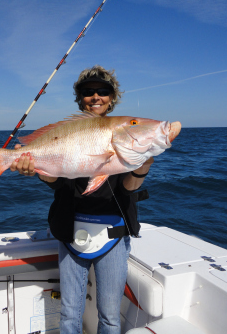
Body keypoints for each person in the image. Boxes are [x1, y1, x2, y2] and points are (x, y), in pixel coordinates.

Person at [10, 65, 153, 333]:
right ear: (80, 98)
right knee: (68, 315)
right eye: (88, 92)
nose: (96, 96)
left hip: (112, 234)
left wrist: (142, 166)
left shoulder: (123, 133)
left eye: (103, 91)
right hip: (70, 230)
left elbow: (129, 188)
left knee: (110, 317)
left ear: (112, 98)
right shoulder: (69, 130)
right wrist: (36, 167)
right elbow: (58, 183)